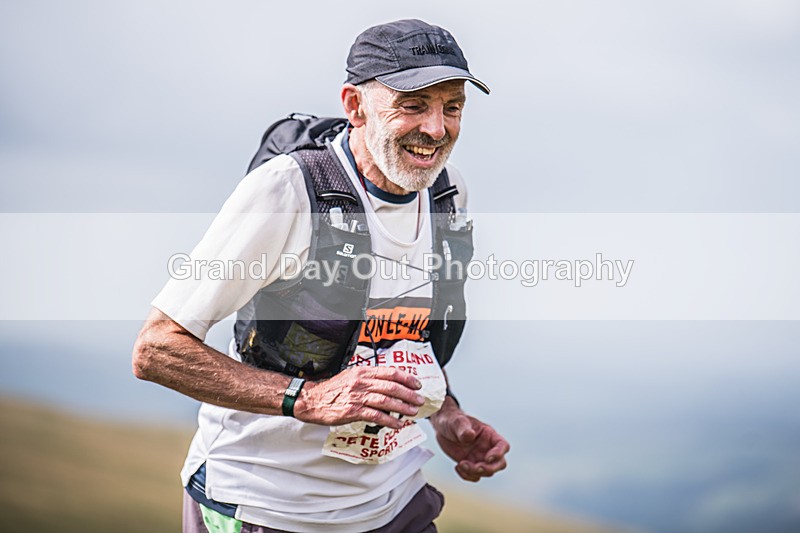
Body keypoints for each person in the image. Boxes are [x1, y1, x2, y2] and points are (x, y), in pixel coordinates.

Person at [133, 19, 509, 533]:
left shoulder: (447, 193)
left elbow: (399, 334)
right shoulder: (286, 193)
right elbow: (157, 350)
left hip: (393, 504)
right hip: (265, 505)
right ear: (355, 106)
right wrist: (308, 398)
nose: (437, 130)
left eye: (453, 107)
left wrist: (446, 414)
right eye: (414, 105)